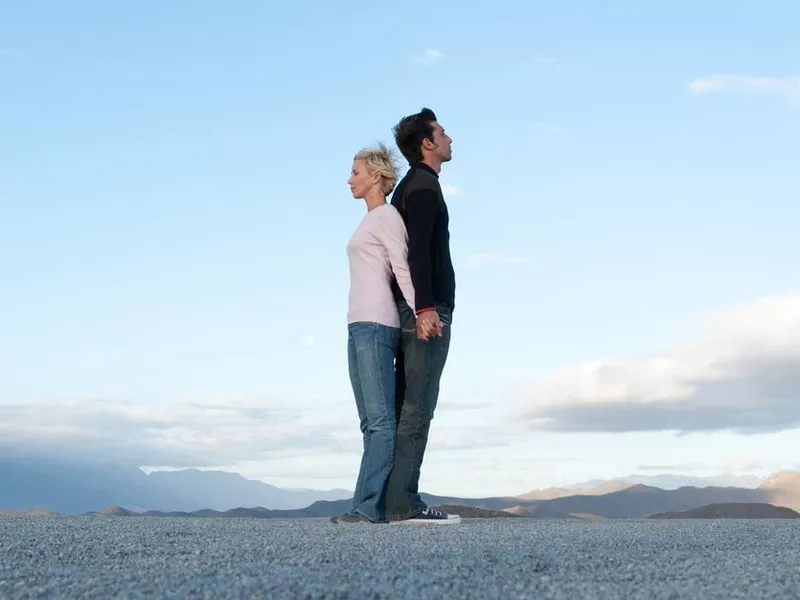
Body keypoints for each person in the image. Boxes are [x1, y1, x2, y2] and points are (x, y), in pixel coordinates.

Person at [330, 143, 420, 524]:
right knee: (370, 423)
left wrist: (420, 314)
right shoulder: (369, 220)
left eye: (355, 172)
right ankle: (364, 506)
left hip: (378, 324)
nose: (349, 179)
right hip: (357, 325)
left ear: (376, 177)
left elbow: (402, 268)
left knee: (381, 421)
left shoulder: (386, 216)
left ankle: (369, 508)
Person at [385, 108, 460, 524]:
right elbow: (417, 253)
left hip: (409, 309)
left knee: (404, 406)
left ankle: (393, 499)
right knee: (418, 406)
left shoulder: (409, 188)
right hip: (423, 312)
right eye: (443, 133)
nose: (451, 139)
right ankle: (404, 504)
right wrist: (427, 308)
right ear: (427, 144)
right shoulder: (424, 188)